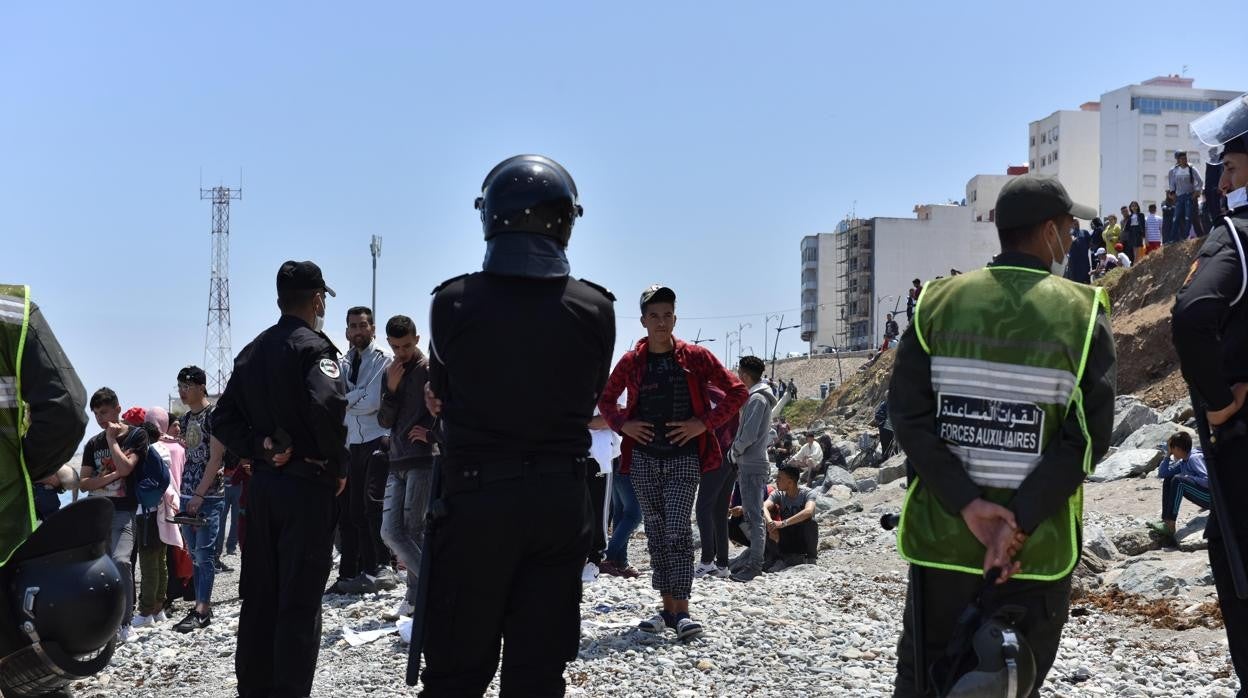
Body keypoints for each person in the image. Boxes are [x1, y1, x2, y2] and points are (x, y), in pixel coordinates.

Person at [889, 173, 1116, 696]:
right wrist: (1017, 525)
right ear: (1051, 232)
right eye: (1069, 227)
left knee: (924, 680)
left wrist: (969, 505)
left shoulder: (936, 303)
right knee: (1014, 682)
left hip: (943, 541)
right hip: (1035, 554)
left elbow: (909, 417)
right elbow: (1085, 439)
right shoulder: (1082, 314)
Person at [419, 155, 616, 696]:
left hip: (478, 498)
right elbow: (587, 390)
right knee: (538, 670)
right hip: (558, 500)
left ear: (491, 217)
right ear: (566, 221)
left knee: (456, 670)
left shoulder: (453, 302)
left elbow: (442, 390)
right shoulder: (596, 309)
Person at [212, 260, 349, 698]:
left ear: (278, 302)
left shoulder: (252, 352)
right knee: (299, 600)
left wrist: (261, 446)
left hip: (265, 488)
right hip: (308, 486)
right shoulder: (315, 350)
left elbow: (222, 417)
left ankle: (252, 688)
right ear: (317, 300)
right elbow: (327, 406)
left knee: (259, 597)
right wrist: (337, 462)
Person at [0, 284, 129, 698]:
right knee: (28, 671)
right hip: (6, 527)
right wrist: (24, 470)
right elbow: (67, 409)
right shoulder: (11, 311)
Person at [600, 283, 747, 641]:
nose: (661, 322)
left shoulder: (695, 357)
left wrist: (703, 423)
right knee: (654, 531)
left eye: (667, 315)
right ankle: (667, 608)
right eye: (654, 316)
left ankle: (682, 609)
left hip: (685, 457)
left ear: (675, 318)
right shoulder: (632, 362)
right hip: (645, 459)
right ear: (643, 321)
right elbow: (606, 400)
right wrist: (625, 424)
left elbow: (738, 391)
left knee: (677, 529)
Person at [1171, 97, 1248, 695]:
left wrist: (1219, 402)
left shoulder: (1235, 239)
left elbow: (1194, 313)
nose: (1223, 182)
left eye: (1232, 169)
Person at [330, 306, 397, 595]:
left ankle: (381, 567)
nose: (358, 331)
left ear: (372, 328)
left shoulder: (383, 359)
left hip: (376, 438)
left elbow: (372, 402)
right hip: (349, 443)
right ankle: (351, 572)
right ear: (346, 330)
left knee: (373, 507)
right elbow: (333, 400)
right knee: (350, 511)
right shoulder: (341, 363)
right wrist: (349, 399)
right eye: (353, 326)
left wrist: (348, 398)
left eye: (363, 325)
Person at [80, 386, 150, 643]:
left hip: (124, 511)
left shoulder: (136, 436)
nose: (101, 419)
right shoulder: (91, 443)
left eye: (105, 412)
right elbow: (84, 483)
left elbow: (126, 467)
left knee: (121, 561)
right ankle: (102, 623)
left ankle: (125, 623)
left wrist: (112, 440)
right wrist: (111, 477)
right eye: (97, 414)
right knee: (99, 568)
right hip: (96, 513)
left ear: (118, 409)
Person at [376, 314, 435, 621]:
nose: (402, 352)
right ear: (389, 344)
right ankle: (424, 593)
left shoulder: (430, 370)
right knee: (392, 531)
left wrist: (432, 433)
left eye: (407, 345)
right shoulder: (391, 372)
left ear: (417, 339)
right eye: (397, 346)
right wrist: (391, 389)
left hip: (422, 460)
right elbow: (384, 420)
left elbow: (449, 409)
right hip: (396, 459)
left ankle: (418, 597)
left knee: (412, 530)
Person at [172, 365, 226, 633]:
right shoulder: (186, 418)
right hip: (186, 491)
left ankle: (202, 609)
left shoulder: (214, 415)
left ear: (201, 386)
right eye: (180, 386)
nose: (183, 391)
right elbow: (193, 451)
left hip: (208, 493)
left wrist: (200, 493)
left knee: (204, 554)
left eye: (187, 386)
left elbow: (216, 458)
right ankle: (201, 604)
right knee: (193, 553)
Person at [727, 355, 777, 583]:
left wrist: (733, 451)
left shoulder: (757, 399)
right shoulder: (758, 397)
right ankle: (752, 560)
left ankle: (755, 565)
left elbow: (748, 434)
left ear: (745, 375)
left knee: (754, 516)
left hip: (752, 463)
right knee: (752, 514)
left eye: (740, 374)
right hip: (753, 462)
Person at [1146, 431, 1209, 545]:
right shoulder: (1184, 461)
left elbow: (1208, 481)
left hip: (1213, 499)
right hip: (1204, 495)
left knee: (1179, 480)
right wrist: (1167, 456)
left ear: (1179, 449)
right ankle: (1166, 520)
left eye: (1171, 448)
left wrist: (1188, 477)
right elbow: (1164, 473)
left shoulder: (1194, 458)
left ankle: (1171, 524)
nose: (1170, 450)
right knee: (1170, 479)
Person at [763, 464, 819, 571]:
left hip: (802, 537)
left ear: (790, 481)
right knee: (766, 523)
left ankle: (811, 558)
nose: (776, 481)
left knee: (811, 523)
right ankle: (777, 559)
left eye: (779, 478)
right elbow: (764, 506)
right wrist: (771, 523)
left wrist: (783, 523)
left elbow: (809, 511)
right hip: (786, 537)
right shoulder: (778, 494)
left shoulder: (807, 493)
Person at [585, 409, 619, 582]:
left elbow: (613, 417)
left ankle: (594, 560)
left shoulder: (610, 382)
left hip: (598, 454)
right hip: (567, 452)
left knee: (598, 507)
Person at [601, 453, 642, 579]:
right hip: (628, 462)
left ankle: (620, 562)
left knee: (620, 512)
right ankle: (607, 557)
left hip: (616, 460)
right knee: (634, 515)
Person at [1169, 151, 1204, 244]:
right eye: (1181, 158)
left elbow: (1200, 181)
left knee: (1188, 217)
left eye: (1185, 158)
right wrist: (1173, 194)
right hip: (1179, 196)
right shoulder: (1174, 170)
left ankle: (1184, 238)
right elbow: (1171, 183)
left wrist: (1196, 192)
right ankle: (1172, 239)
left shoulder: (1191, 169)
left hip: (1189, 196)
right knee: (1176, 217)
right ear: (1178, 160)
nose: (1183, 160)